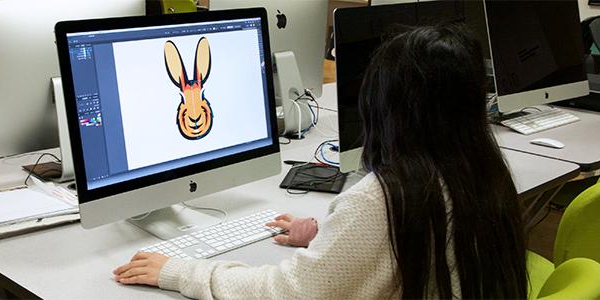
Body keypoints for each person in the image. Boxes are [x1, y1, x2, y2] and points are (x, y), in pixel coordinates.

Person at [113, 24, 527, 299]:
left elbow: (289, 293)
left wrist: (183, 273)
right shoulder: (480, 167)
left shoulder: (386, 196)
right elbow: (405, 242)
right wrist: (335, 237)